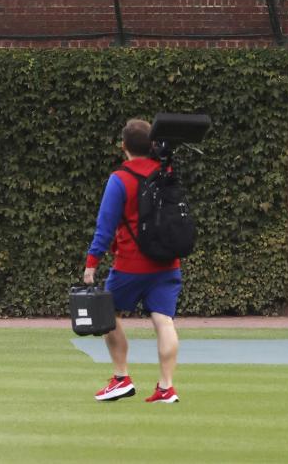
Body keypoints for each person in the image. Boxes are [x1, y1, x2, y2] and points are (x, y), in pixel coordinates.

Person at [83, 118, 182, 404]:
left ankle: (121, 378)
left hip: (130, 263)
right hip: (167, 261)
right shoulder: (167, 173)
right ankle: (166, 387)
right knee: (164, 321)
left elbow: (105, 227)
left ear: (123, 146)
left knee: (108, 315)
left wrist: (92, 263)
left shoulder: (120, 179)